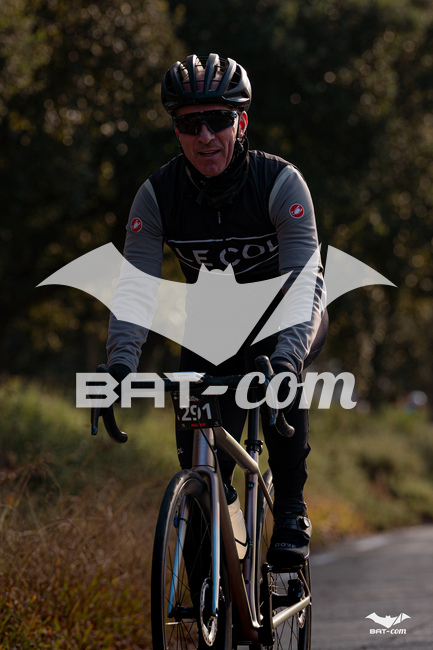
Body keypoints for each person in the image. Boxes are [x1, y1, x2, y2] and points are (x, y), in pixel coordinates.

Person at [106, 53, 328, 567]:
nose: (205, 136)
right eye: (190, 124)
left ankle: (291, 509)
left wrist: (287, 358)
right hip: (213, 330)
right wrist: (119, 364)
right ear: (177, 132)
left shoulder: (280, 183)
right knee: (198, 469)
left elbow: (303, 285)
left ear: (241, 123)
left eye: (218, 120)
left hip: (286, 318)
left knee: (279, 381)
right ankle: (213, 546)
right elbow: (135, 290)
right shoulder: (156, 196)